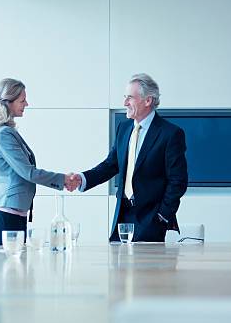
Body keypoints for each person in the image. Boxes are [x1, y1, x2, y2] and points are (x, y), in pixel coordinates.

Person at [74, 73, 188, 242]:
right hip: (122, 216)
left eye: (130, 98)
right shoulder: (124, 128)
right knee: (118, 267)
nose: (124, 103)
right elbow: (111, 164)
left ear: (148, 101)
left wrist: (162, 215)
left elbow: (178, 181)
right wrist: (82, 179)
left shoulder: (170, 134)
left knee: (146, 269)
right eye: (124, 97)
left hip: (152, 219)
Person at [0, 78, 79, 247]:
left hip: (14, 213)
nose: (26, 103)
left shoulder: (7, 131)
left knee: (17, 268)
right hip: (5, 213)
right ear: (7, 102)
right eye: (22, 100)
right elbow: (28, 172)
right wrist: (63, 179)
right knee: (11, 268)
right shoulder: (4, 134)